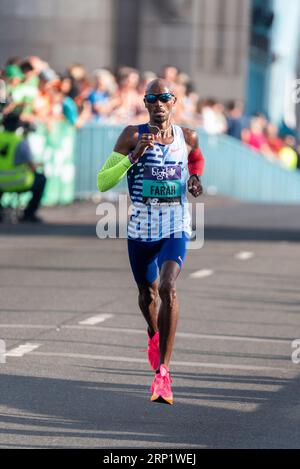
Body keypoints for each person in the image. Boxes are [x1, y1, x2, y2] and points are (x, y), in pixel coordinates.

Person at [97, 79, 204, 405]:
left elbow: (195, 159)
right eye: (152, 100)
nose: (158, 105)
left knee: (169, 287)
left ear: (174, 102)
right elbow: (104, 181)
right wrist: (133, 157)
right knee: (148, 294)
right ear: (145, 104)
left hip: (176, 226)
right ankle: (152, 332)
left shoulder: (187, 136)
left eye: (164, 99)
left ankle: (163, 374)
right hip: (141, 230)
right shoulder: (131, 135)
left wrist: (196, 177)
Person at [0, 113, 46, 223]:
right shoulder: (20, 141)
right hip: (18, 182)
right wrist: (39, 165)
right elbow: (31, 166)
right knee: (41, 179)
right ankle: (29, 214)